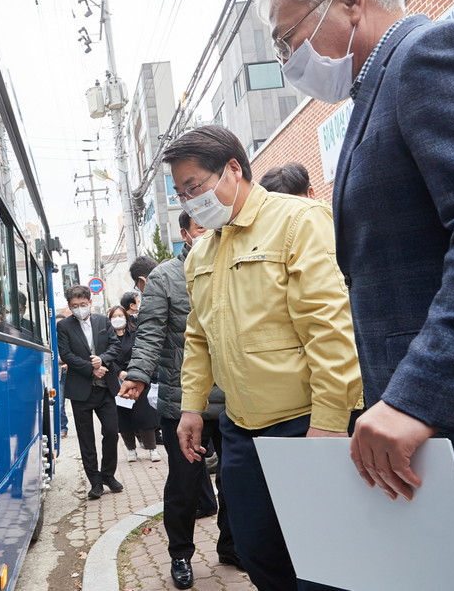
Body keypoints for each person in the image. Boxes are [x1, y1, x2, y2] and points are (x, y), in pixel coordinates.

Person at [261, 0, 454, 587]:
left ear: (350, 0)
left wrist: (416, 396)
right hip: (439, 452)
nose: (287, 62)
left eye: (289, 38)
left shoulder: (436, 54)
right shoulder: (372, 91)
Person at [164, 125, 362, 591]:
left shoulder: (299, 220)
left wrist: (332, 419)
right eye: (181, 194)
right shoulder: (201, 252)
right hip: (243, 429)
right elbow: (198, 337)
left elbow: (329, 325)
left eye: (195, 187)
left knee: (325, 560)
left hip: (306, 421)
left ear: (233, 169)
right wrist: (192, 407)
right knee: (257, 550)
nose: (191, 202)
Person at [119, 211, 239, 589]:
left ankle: (232, 546)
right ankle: (181, 556)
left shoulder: (234, 260)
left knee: (237, 481)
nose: (207, 233)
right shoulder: (166, 276)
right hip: (184, 399)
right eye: (199, 227)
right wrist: (138, 374)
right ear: (184, 234)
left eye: (212, 224)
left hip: (237, 398)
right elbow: (151, 330)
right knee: (185, 484)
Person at [56, 285, 122, 500]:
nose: (80, 309)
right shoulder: (64, 326)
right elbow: (65, 354)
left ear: (90, 302)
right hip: (81, 390)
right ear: (69, 306)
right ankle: (95, 482)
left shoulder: (103, 321)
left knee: (111, 432)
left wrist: (102, 359)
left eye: (83, 305)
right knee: (86, 439)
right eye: (75, 306)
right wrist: (91, 367)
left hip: (105, 389)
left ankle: (108, 475)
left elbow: (115, 346)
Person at [107, 304, 160, 463]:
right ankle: (131, 449)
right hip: (118, 381)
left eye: (120, 315)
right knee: (124, 417)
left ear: (126, 317)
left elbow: (142, 353)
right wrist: (118, 371)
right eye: (114, 316)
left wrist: (134, 371)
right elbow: (107, 358)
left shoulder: (135, 334)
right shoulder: (107, 338)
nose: (117, 319)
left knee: (144, 414)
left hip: (138, 377)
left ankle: (152, 448)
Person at [55, 313, 69, 438]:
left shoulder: (70, 336)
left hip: (71, 372)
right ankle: (62, 427)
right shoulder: (53, 339)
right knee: (59, 402)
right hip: (59, 373)